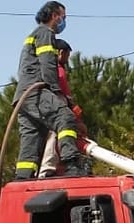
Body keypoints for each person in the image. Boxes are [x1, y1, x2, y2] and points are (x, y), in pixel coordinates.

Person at [12, 1, 86, 179]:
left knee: (32, 136)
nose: (64, 21)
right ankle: (71, 163)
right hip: (36, 92)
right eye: (63, 17)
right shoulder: (46, 33)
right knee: (65, 117)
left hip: (23, 97)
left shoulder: (33, 35)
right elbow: (47, 64)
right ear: (55, 15)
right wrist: (56, 91)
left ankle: (23, 177)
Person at [38, 38, 91, 178]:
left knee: (54, 136)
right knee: (55, 135)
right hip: (57, 107)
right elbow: (65, 96)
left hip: (48, 107)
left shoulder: (47, 69)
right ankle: (47, 170)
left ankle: (49, 168)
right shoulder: (58, 70)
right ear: (61, 53)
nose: (68, 59)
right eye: (67, 55)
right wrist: (77, 119)